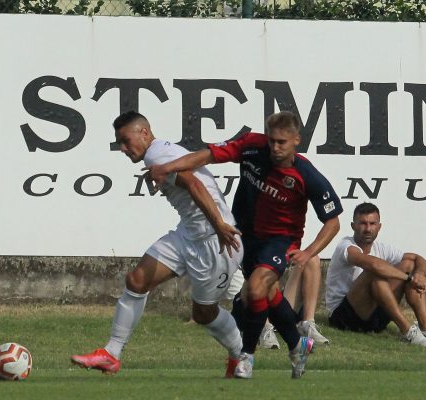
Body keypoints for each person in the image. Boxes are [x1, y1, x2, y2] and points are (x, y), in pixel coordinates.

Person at [147, 111, 343, 379]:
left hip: (279, 240)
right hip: (243, 235)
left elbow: (333, 223)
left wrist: (309, 252)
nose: (275, 147)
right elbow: (208, 155)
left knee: (254, 290)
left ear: (297, 140)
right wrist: (168, 168)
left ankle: (246, 356)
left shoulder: (307, 175)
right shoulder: (252, 146)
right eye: (272, 140)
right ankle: (298, 345)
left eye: (282, 142)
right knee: (267, 295)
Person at [71, 111, 245, 376]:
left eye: (126, 141)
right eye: (119, 142)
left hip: (215, 242)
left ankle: (240, 356)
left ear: (144, 133)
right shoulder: (160, 153)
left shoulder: (157, 155)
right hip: (188, 234)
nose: (123, 148)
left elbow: (194, 185)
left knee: (204, 314)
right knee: (137, 280)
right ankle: (111, 354)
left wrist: (219, 225)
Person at [325, 202, 426, 346]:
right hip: (343, 318)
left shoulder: (381, 248)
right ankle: (408, 331)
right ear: (353, 226)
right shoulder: (346, 246)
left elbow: (419, 259)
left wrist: (419, 273)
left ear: (379, 227)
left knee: (409, 264)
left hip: (373, 317)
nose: (368, 229)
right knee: (373, 272)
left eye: (372, 223)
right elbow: (374, 265)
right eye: (363, 223)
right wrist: (409, 278)